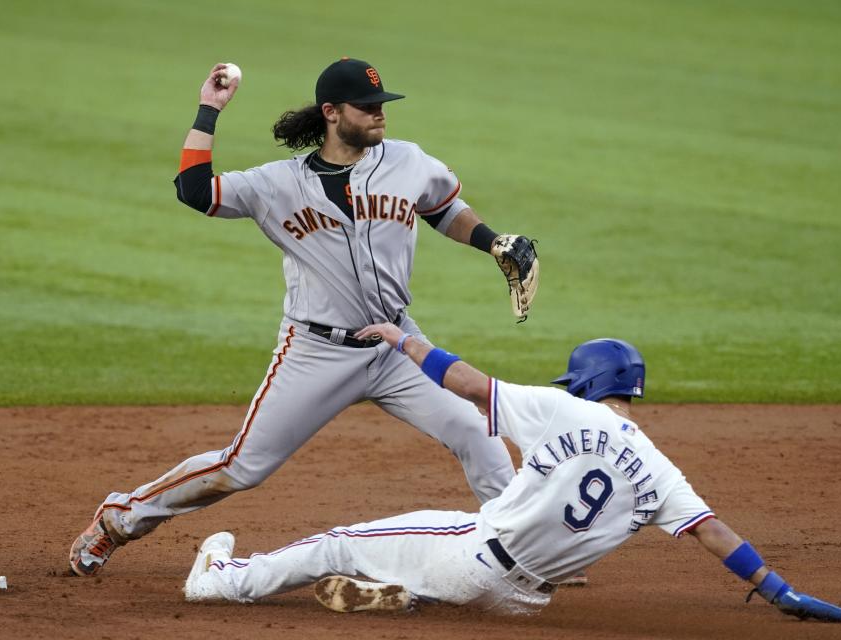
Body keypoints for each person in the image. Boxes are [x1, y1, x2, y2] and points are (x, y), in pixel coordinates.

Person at [68, 58, 541, 578]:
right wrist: (209, 109)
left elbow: (444, 209)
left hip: (396, 345)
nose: (380, 115)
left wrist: (490, 240)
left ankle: (520, 548)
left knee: (475, 431)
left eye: (382, 105)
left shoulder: (407, 161)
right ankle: (118, 519)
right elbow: (194, 190)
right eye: (368, 107)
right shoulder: (277, 185)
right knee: (241, 467)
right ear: (332, 113)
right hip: (315, 352)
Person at [181, 325, 841, 622]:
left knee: (337, 541)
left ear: (586, 380)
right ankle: (407, 593)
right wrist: (781, 592)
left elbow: (470, 385)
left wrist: (402, 339)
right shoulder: (660, 470)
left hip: (479, 561)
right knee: (449, 534)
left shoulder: (560, 407)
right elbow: (714, 534)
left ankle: (221, 583)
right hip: (531, 600)